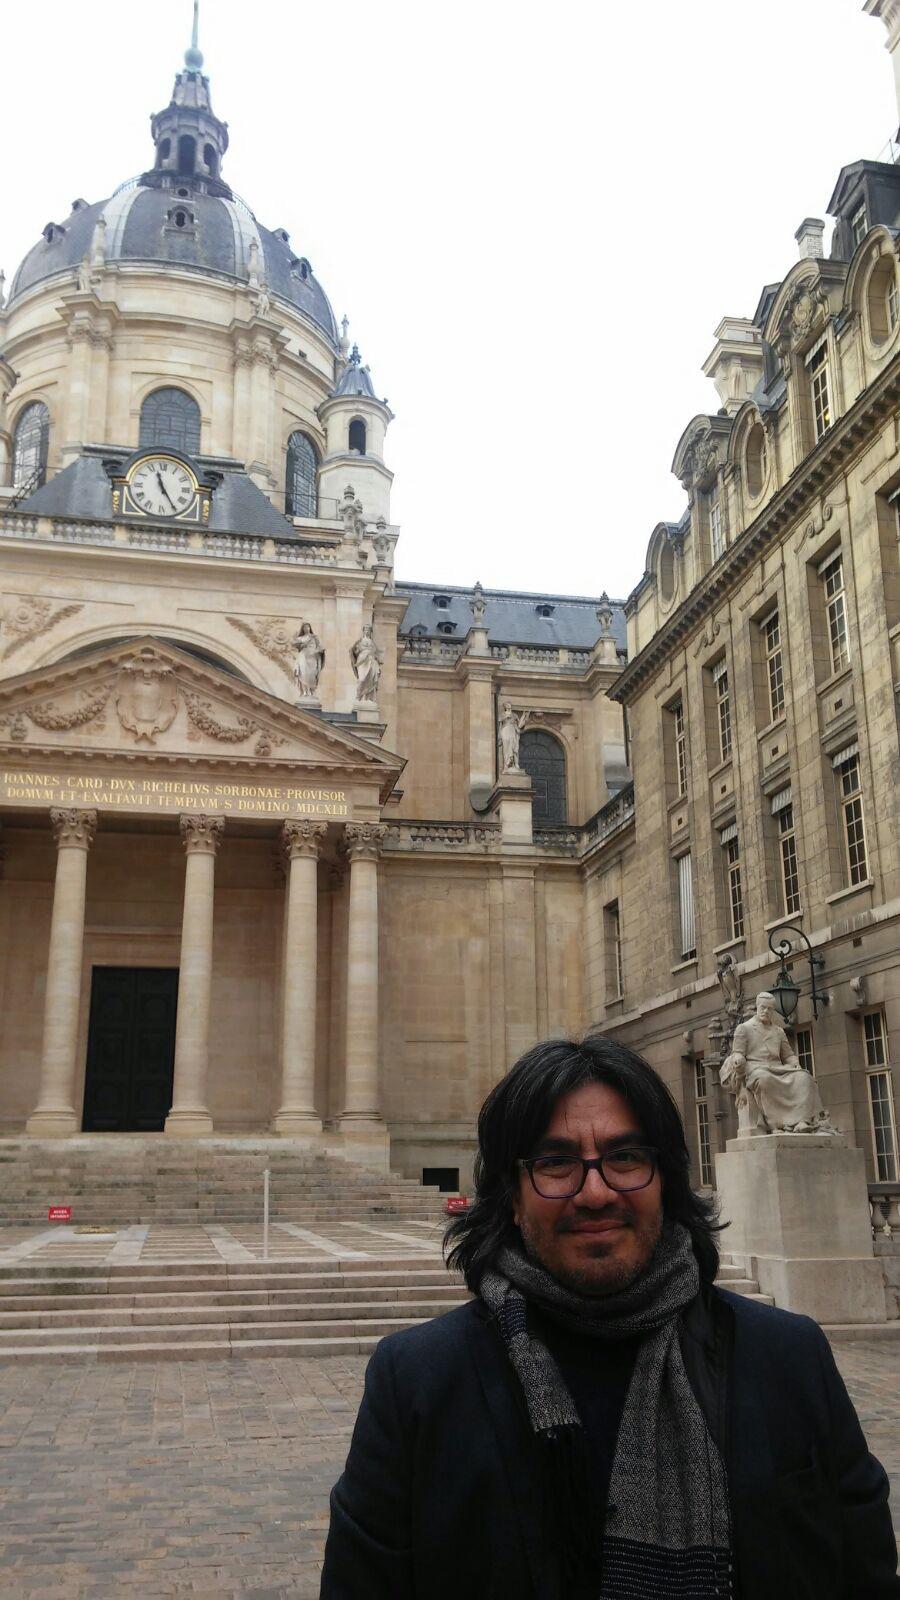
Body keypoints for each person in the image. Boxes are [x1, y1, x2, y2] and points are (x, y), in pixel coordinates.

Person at [320, 1035, 898, 1600]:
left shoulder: (788, 1358)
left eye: (625, 1157)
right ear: (512, 1197)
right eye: (555, 1162)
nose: (595, 1192)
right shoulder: (418, 1382)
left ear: (666, 1180)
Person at [721, 989, 835, 1134]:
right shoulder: (744, 1029)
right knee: (765, 1080)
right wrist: (738, 1059)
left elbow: (788, 1055)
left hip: (779, 1068)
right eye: (763, 1008)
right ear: (757, 1007)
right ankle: (776, 1124)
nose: (766, 1011)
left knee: (804, 1078)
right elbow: (737, 1052)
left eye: (769, 1009)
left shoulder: (778, 1031)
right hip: (756, 1068)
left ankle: (802, 1121)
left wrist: (795, 1063)